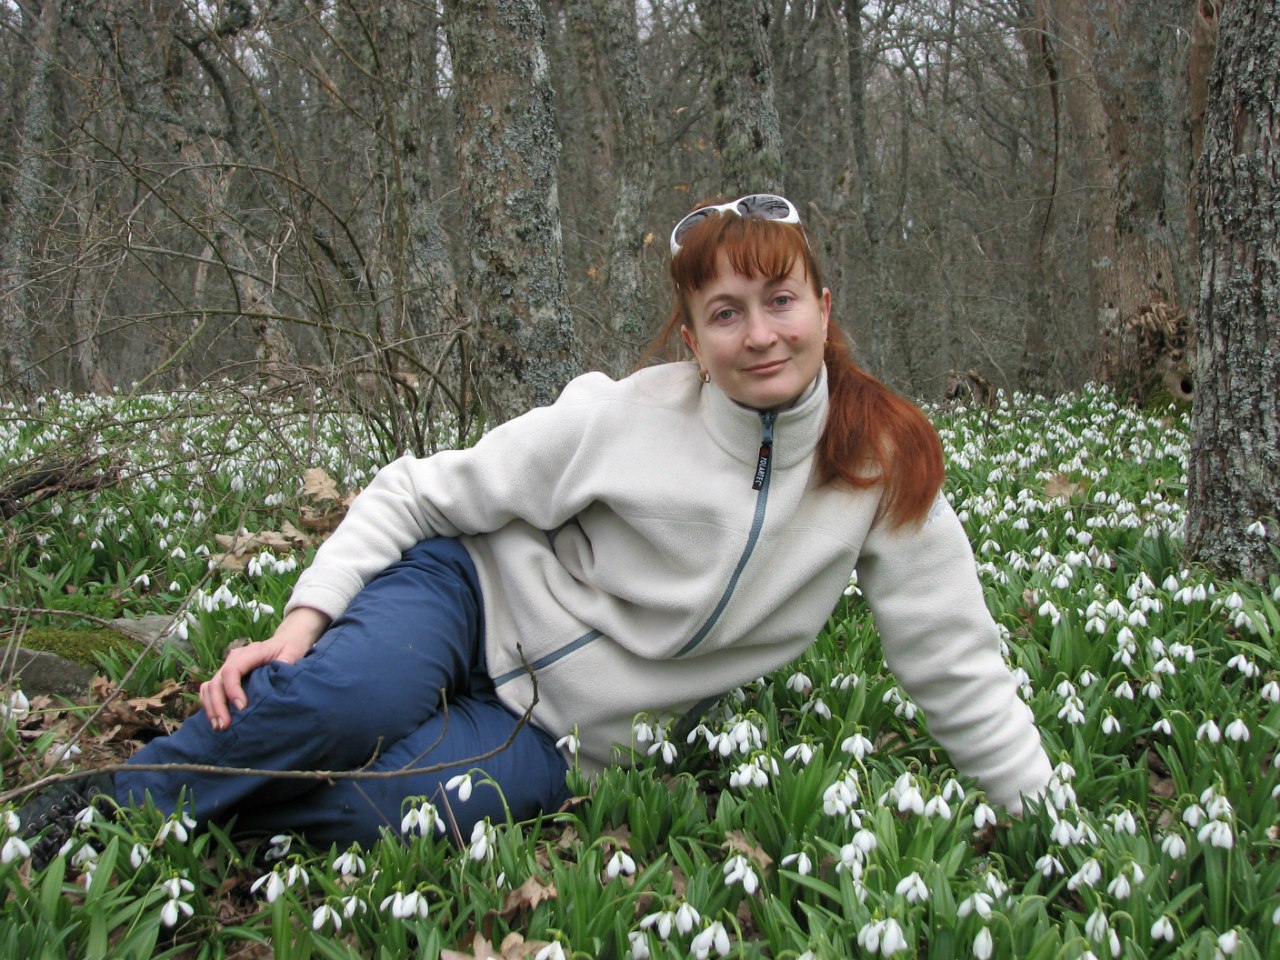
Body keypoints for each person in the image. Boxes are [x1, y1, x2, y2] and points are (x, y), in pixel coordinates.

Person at [17, 193, 1052, 861]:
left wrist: (1042, 825)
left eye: (778, 301)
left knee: (396, 811)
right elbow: (414, 490)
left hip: (569, 736)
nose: (759, 334)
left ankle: (213, 810)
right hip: (470, 597)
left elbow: (953, 658)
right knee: (342, 698)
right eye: (725, 313)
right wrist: (303, 620)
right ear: (692, 341)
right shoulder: (620, 417)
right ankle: (106, 807)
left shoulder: (881, 462)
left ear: (823, 306)